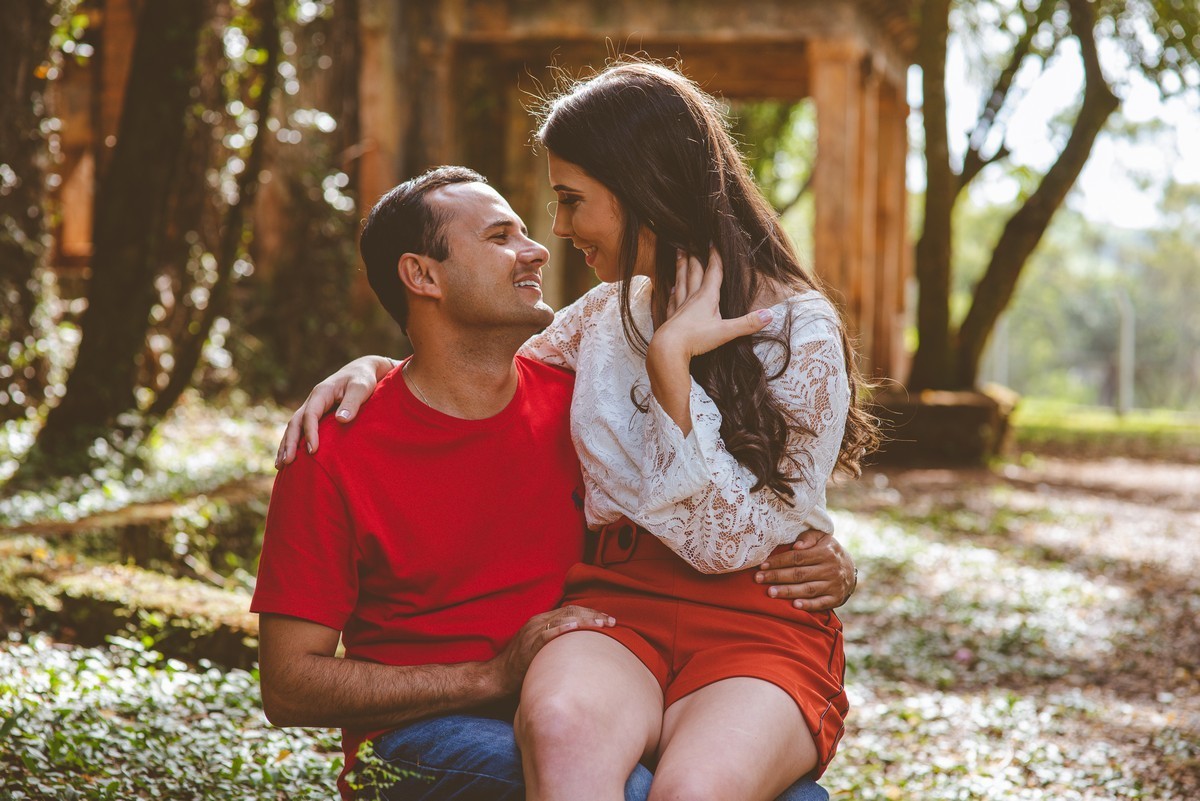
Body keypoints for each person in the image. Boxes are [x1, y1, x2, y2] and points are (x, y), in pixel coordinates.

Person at [259, 165, 857, 801]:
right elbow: (288, 685)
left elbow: (711, 491)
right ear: (422, 275)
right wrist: (488, 677)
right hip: (430, 731)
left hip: (605, 686)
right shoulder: (335, 447)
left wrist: (824, 551)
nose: (541, 245)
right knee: (642, 788)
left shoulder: (582, 406)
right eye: (499, 237)